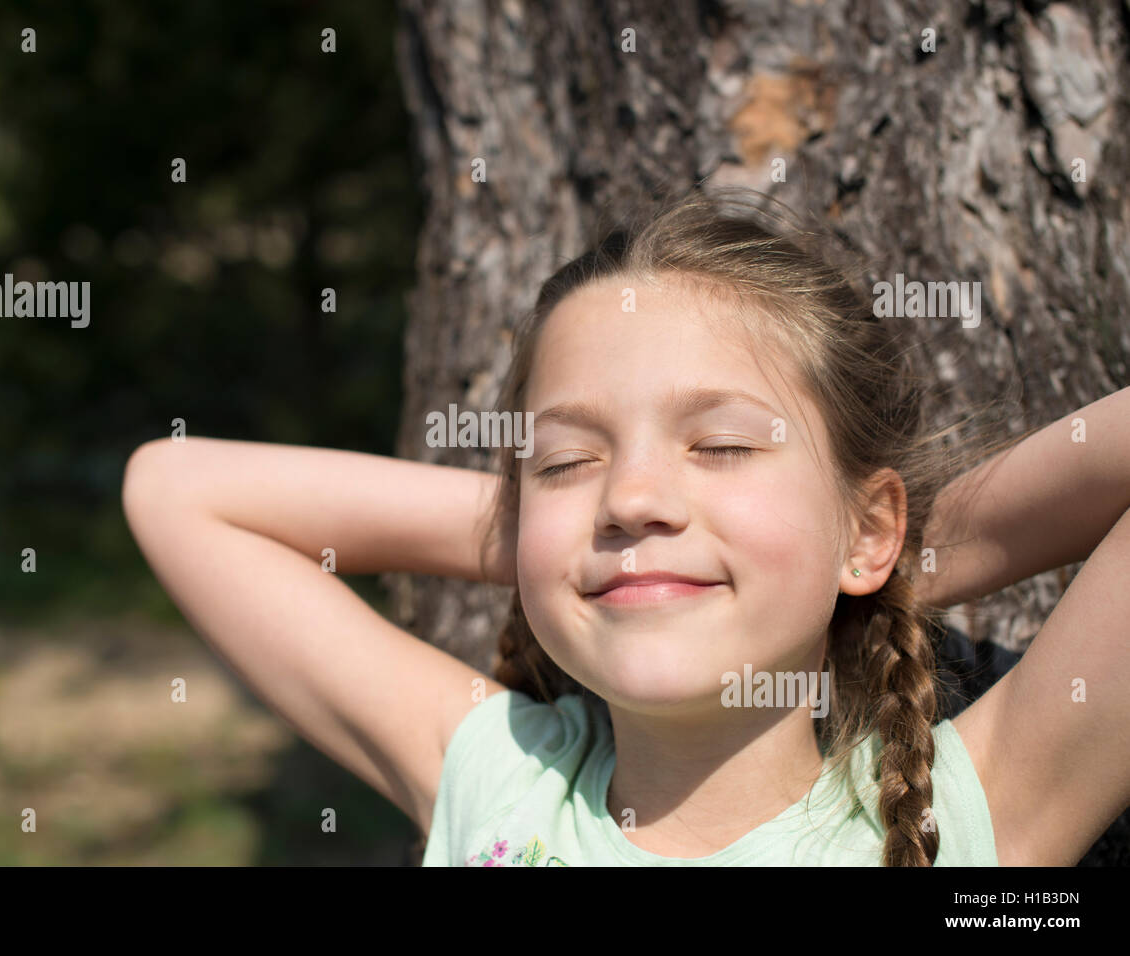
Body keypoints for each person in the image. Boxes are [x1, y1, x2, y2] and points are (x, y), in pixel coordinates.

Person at [122, 185, 1130, 866]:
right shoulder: (499, 783)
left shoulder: (963, 821)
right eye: (568, 459)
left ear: (871, 527)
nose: (629, 498)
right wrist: (540, 539)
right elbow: (174, 488)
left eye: (722, 446)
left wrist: (888, 557)